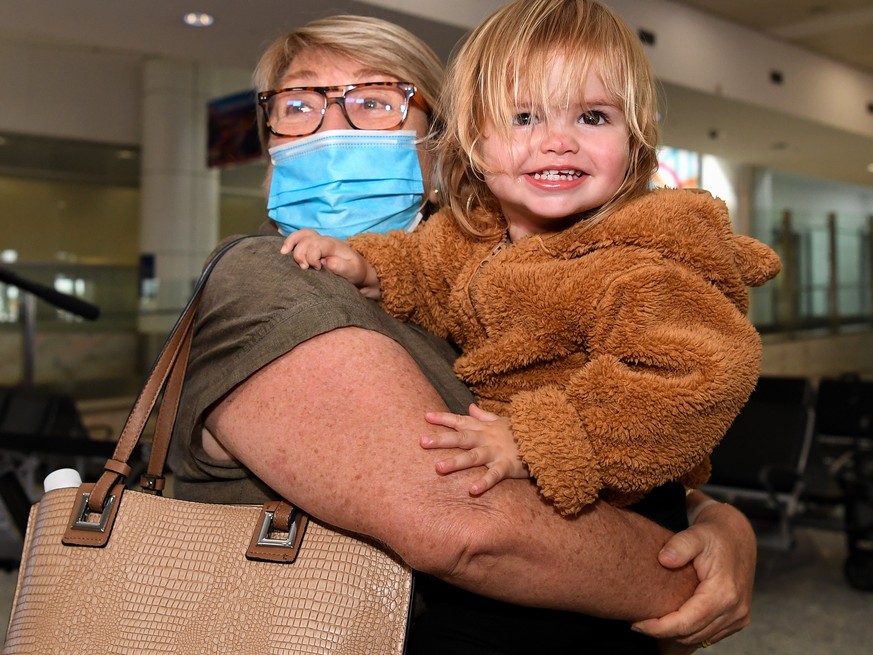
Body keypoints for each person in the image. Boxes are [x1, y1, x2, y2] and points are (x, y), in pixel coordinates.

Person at [167, 11, 757, 654]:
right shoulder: (266, 278)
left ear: (440, 144)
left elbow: (645, 407)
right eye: (300, 103)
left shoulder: (479, 270)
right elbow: (467, 523)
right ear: (270, 139)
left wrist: (715, 520)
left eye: (375, 102)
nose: (332, 131)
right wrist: (684, 575)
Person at [281, 0, 781, 518]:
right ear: (474, 141)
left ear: (633, 141)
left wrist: (534, 440)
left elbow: (699, 379)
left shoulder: (639, 264)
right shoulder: (473, 233)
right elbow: (422, 268)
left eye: (592, 116)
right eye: (524, 117)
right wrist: (366, 265)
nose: (558, 141)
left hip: (619, 500)